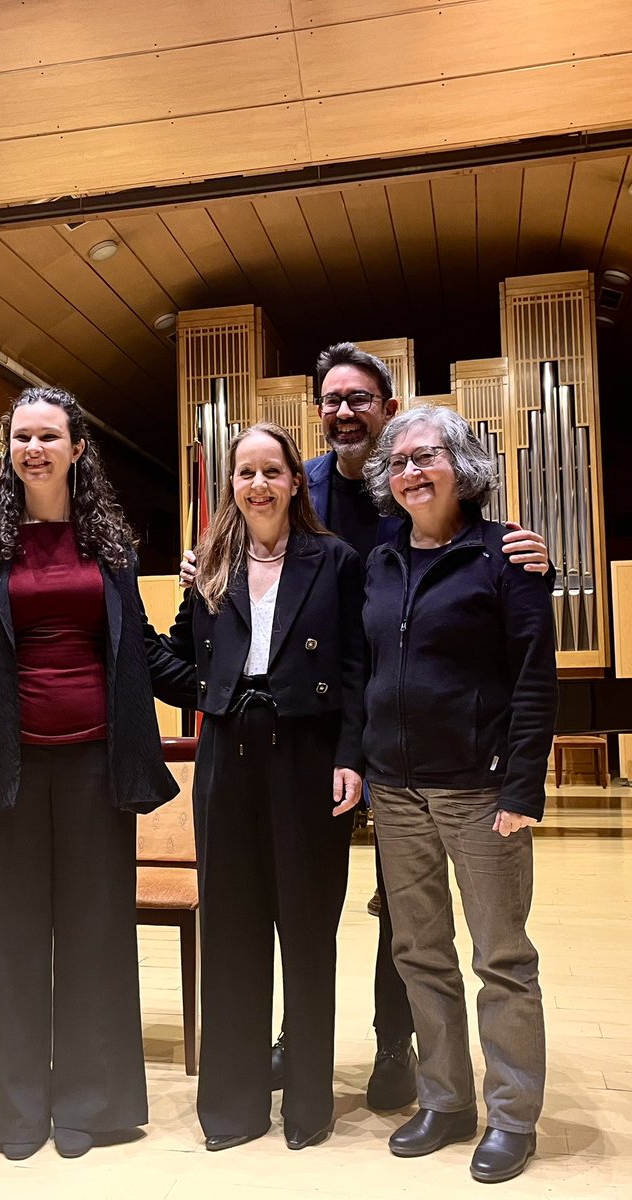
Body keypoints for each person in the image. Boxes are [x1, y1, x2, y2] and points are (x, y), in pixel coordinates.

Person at [182, 342, 549, 1111]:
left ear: (386, 411)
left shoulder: (449, 518)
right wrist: (207, 571)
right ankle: (310, 1045)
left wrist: (525, 549)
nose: (343, 410)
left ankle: (397, 1045)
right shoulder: (305, 488)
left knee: (430, 926)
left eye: (360, 399)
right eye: (330, 399)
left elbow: (519, 660)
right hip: (362, 737)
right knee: (381, 919)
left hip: (429, 749)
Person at [0, 386, 185, 1161]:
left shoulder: (109, 548)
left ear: (77, 449)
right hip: (7, 769)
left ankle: (93, 1105)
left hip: (95, 763)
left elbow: (141, 650)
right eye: (22, 438)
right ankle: (12, 1113)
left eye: (49, 436)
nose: (34, 449)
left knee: (95, 934)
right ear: (9, 450)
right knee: (8, 938)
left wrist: (223, 676)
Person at [361, 406, 557, 1184]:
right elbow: (362, 669)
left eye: (427, 456)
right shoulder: (379, 562)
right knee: (418, 953)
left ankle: (512, 1115)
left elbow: (533, 677)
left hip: (480, 791)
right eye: (399, 461)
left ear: (459, 465)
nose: (413, 471)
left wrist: (522, 786)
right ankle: (445, 1101)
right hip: (396, 791)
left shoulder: (505, 556)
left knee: (501, 957)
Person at [159, 422, 365, 1152]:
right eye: (244, 473)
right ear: (231, 487)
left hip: (307, 753)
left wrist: (350, 754)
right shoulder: (211, 562)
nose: (257, 485)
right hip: (227, 754)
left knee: (306, 930)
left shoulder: (334, 559)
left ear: (293, 482)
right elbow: (176, 658)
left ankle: (308, 1105)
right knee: (232, 927)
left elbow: (354, 670)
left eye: (270, 471)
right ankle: (234, 1106)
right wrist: (213, 692)